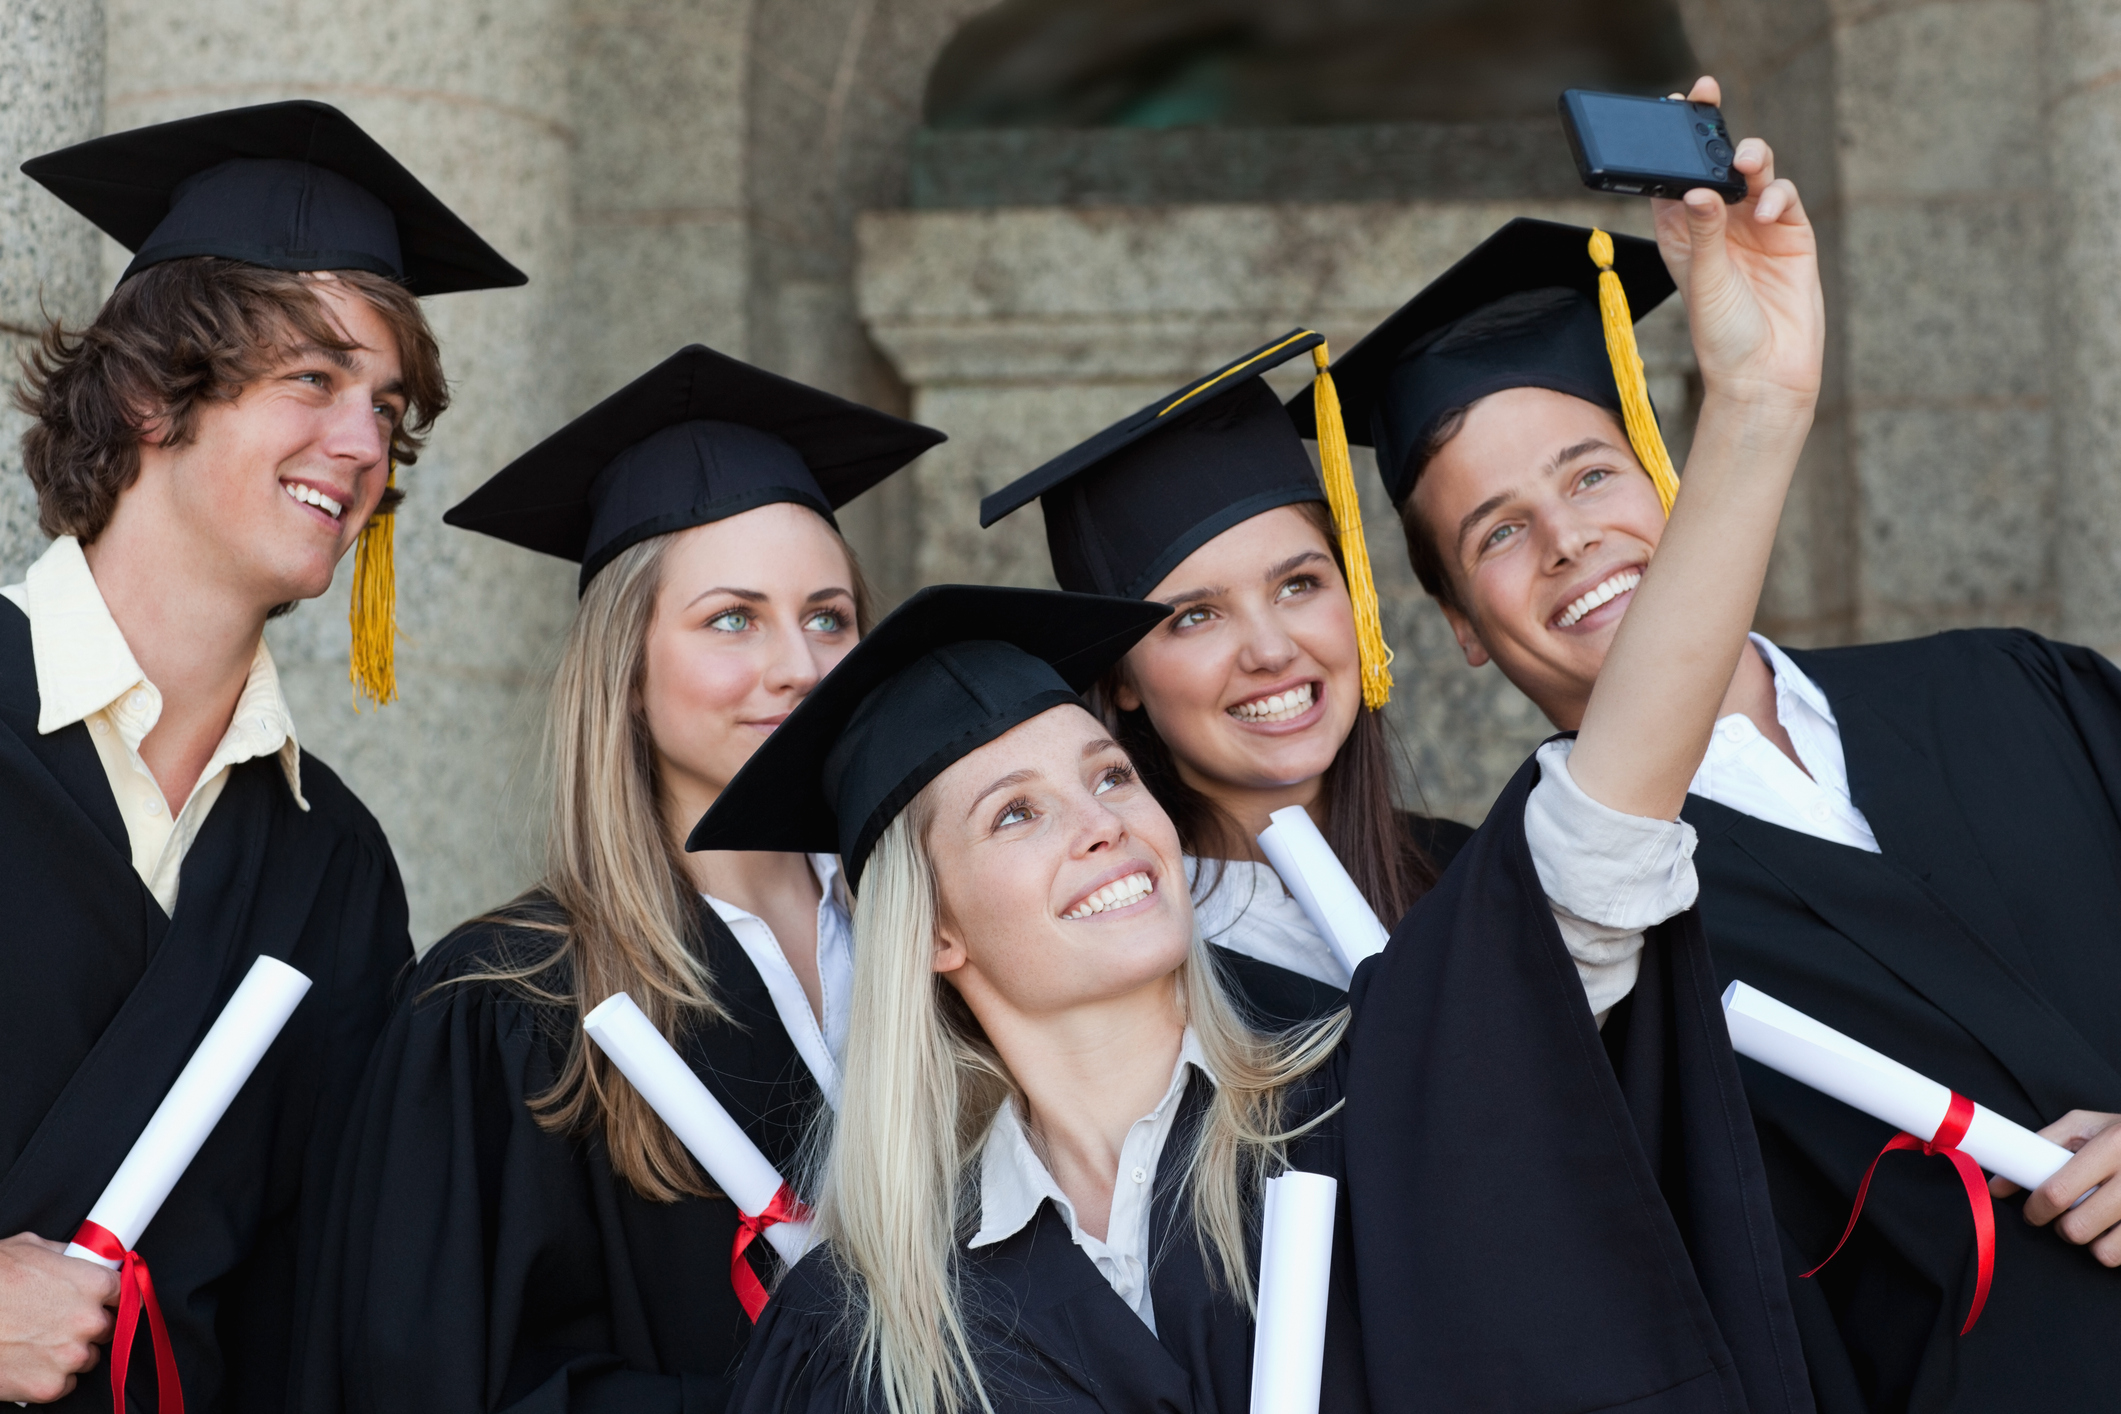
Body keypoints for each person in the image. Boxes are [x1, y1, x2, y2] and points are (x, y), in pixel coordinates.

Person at [694, 118, 1824, 1412]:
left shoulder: (1362, 1096)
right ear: (933, 928)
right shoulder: (855, 1337)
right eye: (1016, 808)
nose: (1102, 821)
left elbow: (1601, 823)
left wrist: (1756, 406)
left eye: (1103, 781)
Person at [1314, 77, 2121, 1414]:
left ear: (1663, 485)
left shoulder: (2013, 691)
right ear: (1458, 626)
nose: (1567, 538)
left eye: (1588, 472)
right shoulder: (1544, 933)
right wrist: (1758, 397)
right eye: (1495, 532)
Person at [294, 344, 945, 1414]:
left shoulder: (939, 949)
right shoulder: (512, 1007)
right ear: (628, 675)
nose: (799, 664)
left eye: (829, 616)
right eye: (733, 617)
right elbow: (434, 1384)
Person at [0, 101, 522, 1411]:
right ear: (145, 391)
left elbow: (327, 1308)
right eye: (313, 378)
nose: (361, 446)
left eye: (385, 404)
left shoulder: (327, 864)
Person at [979, 333, 1468, 1024]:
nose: (1269, 650)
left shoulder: (1474, 875)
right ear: (1122, 678)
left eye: (1298, 584)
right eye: (1196, 617)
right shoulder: (1124, 948)